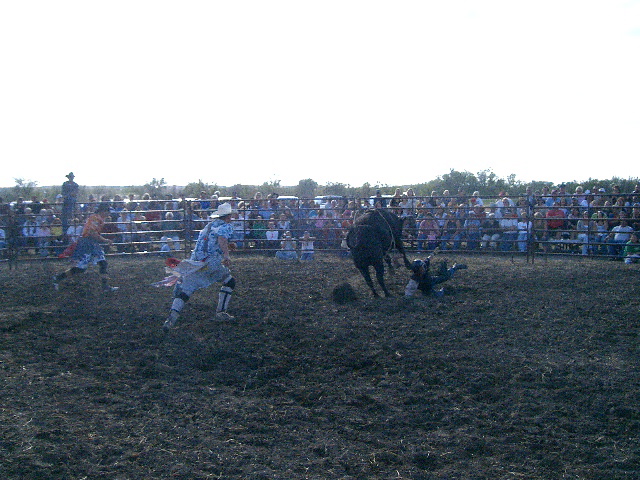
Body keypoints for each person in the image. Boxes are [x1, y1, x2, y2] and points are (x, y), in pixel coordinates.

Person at [163, 203, 237, 330]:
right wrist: (226, 255)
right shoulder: (226, 226)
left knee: (186, 291)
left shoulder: (208, 227)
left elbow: (210, 242)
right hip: (212, 263)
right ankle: (220, 313)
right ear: (228, 216)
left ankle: (171, 319)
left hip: (196, 263)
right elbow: (221, 239)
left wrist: (226, 248)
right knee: (229, 281)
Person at [53, 203, 118, 292]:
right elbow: (92, 232)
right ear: (103, 211)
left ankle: (105, 286)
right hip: (87, 243)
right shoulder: (95, 219)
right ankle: (58, 277)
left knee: (102, 263)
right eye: (108, 211)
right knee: (81, 268)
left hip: (90, 243)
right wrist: (105, 240)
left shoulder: (98, 219)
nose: (109, 213)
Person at [61, 172, 79, 240]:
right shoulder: (65, 184)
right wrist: (68, 195)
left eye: (72, 177)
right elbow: (63, 193)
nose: (71, 178)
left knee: (71, 201)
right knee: (65, 217)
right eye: (70, 177)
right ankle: (65, 232)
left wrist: (69, 195)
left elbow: (75, 193)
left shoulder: (75, 185)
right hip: (66, 203)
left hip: (72, 202)